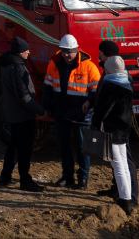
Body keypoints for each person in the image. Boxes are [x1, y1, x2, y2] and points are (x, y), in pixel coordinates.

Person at [44, 33, 102, 189]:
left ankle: (83, 179)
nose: (67, 55)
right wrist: (48, 106)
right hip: (62, 112)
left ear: (77, 50)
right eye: (64, 51)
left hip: (81, 114)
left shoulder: (89, 66)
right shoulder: (54, 63)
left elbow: (96, 90)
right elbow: (48, 86)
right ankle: (67, 177)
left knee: (83, 147)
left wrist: (89, 102)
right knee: (64, 146)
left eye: (70, 51)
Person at [91, 55, 138, 215]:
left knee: (117, 165)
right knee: (124, 163)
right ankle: (129, 197)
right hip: (124, 129)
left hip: (112, 129)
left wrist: (95, 126)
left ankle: (125, 200)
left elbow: (102, 110)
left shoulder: (110, 86)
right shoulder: (127, 82)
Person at [0, 36, 46, 192]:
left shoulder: (7, 64)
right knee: (25, 148)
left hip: (13, 113)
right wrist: (39, 110)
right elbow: (24, 96)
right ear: (20, 52)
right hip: (23, 115)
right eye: (26, 50)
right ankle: (25, 180)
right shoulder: (17, 68)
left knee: (13, 145)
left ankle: (5, 176)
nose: (29, 52)